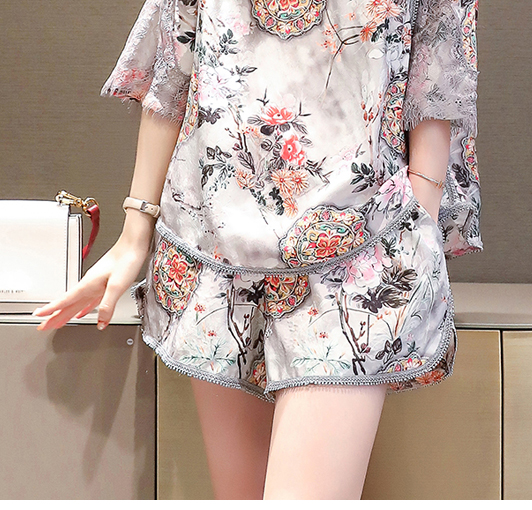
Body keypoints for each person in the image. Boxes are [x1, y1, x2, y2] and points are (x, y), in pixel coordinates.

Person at [32, 0, 482, 499]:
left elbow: (435, 84)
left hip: (356, 258)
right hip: (215, 256)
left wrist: (416, 229)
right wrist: (133, 235)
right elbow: (174, 67)